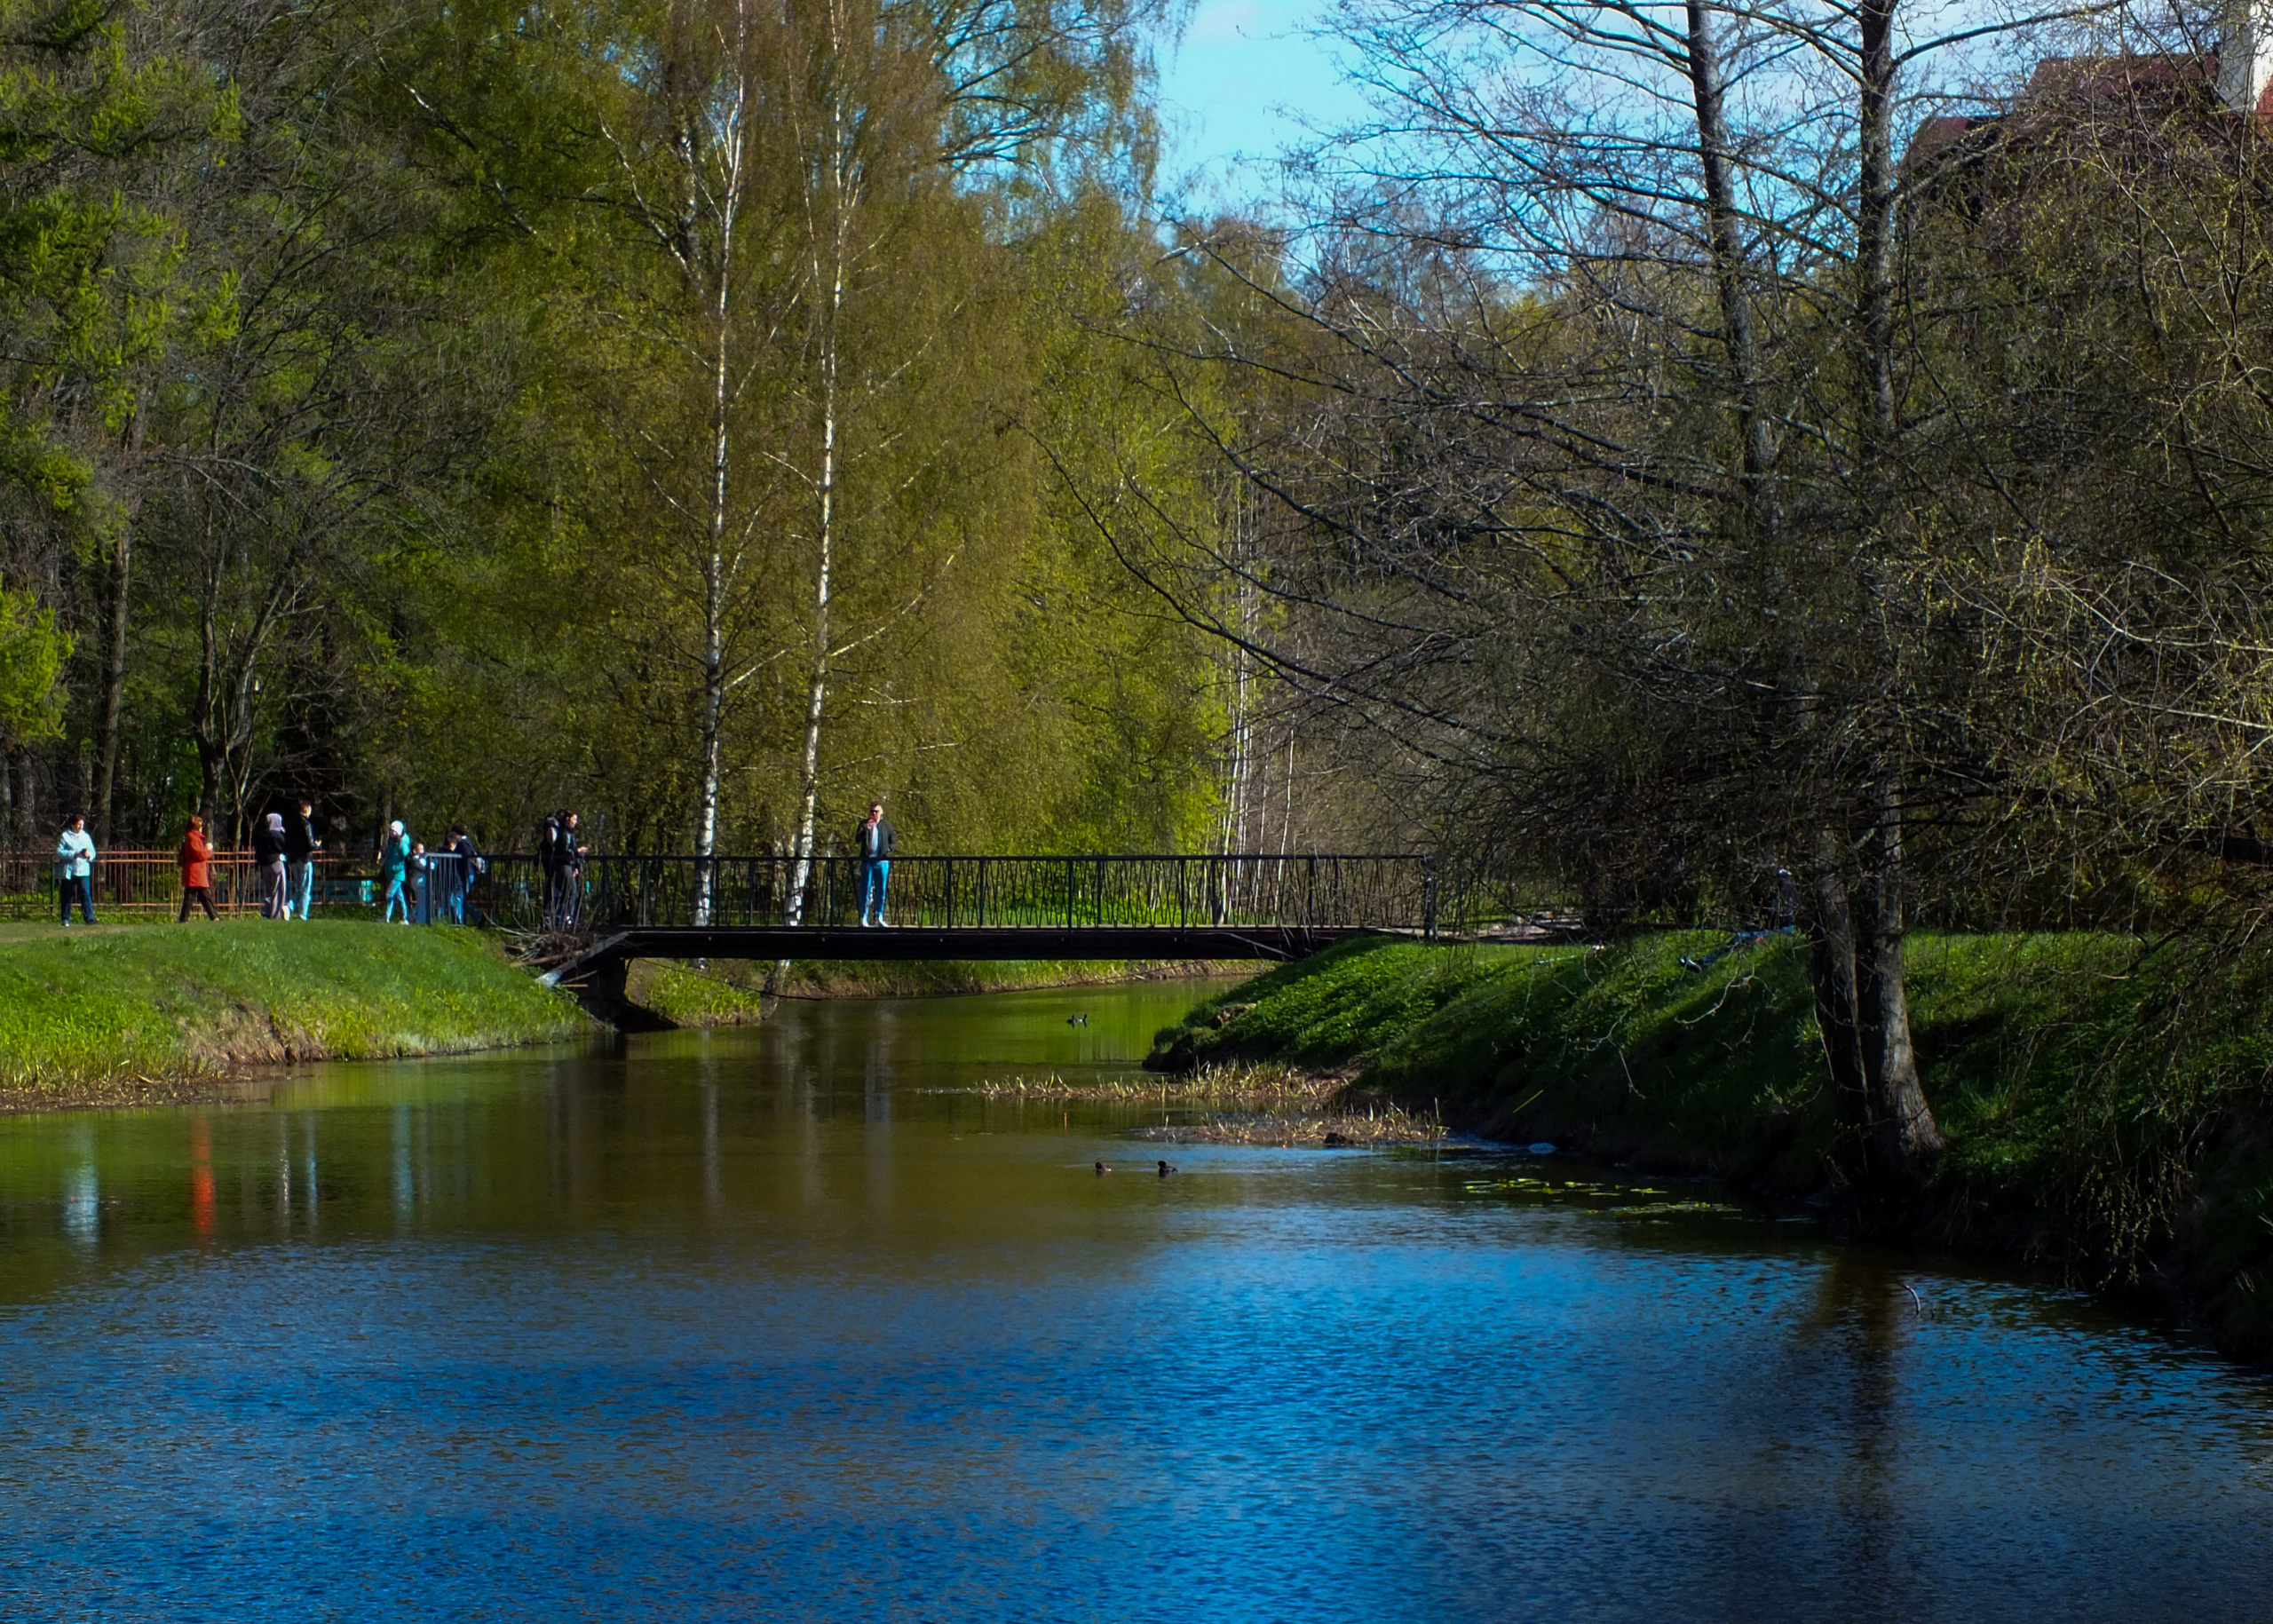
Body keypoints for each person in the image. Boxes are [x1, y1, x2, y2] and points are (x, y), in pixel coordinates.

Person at [855, 801, 895, 927]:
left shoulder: (886, 826)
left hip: (882, 861)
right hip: (867, 861)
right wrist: (866, 829)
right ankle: (863, 917)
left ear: (881, 812)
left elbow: (893, 842)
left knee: (881, 890)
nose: (874, 814)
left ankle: (879, 916)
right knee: (865, 889)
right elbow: (857, 839)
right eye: (872, 811)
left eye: (876, 811)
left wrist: (886, 849)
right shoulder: (864, 824)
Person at [548, 811, 588, 928]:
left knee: (567, 892)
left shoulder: (570, 834)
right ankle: (564, 917)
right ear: (567, 820)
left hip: (569, 865)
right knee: (572, 891)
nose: (576, 822)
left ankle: (561, 918)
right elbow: (565, 851)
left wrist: (575, 865)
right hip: (563, 865)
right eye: (574, 819)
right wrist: (577, 852)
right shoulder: (564, 833)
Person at [283, 799, 321, 922]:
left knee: (299, 885)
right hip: (305, 859)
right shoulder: (306, 825)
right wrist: (317, 845)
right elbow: (310, 844)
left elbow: (287, 842)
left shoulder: (290, 825)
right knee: (306, 887)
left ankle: (290, 907)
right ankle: (300, 912)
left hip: (294, 859)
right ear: (305, 811)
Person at [54, 816, 95, 926]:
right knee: (67, 894)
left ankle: (89, 918)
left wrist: (88, 855)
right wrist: (73, 854)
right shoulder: (65, 836)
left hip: (83, 870)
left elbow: (92, 852)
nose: (81, 827)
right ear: (72, 824)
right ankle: (65, 918)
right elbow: (58, 852)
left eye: (82, 824)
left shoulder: (86, 837)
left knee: (85, 894)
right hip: (68, 871)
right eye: (78, 824)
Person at [177, 815, 217, 922]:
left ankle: (214, 917)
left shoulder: (193, 837)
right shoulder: (193, 838)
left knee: (201, 896)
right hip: (195, 872)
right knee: (194, 895)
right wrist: (208, 850)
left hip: (196, 872)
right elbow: (199, 854)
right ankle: (214, 917)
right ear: (198, 826)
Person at [251, 812, 289, 919]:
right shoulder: (278, 836)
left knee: (269, 890)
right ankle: (276, 914)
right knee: (279, 890)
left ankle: (268, 912)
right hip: (276, 862)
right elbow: (285, 847)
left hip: (265, 864)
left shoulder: (261, 835)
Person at [446, 825, 482, 924]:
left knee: (457, 899)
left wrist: (452, 849)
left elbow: (466, 861)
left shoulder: (462, 844)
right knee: (461, 899)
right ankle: (477, 916)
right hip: (468, 874)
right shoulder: (468, 843)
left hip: (465, 875)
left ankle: (461, 921)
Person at [379, 820, 412, 923]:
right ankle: (404, 917)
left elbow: (407, 857)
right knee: (400, 897)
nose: (391, 833)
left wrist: (401, 843)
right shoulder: (391, 842)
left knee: (389, 894)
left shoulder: (403, 844)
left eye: (393, 831)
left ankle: (387, 917)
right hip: (391, 874)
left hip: (398, 875)